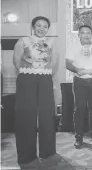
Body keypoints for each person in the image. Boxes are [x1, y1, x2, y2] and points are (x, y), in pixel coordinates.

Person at [13, 16, 58, 165]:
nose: (41, 28)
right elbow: (17, 61)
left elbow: (54, 63)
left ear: (48, 29)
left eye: (45, 26)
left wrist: (44, 74)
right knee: (26, 115)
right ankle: (27, 155)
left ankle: (48, 151)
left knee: (47, 114)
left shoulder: (52, 43)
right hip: (27, 78)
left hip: (45, 78)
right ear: (33, 27)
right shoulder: (23, 40)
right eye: (38, 25)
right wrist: (29, 71)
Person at [66, 25, 92, 149]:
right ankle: (78, 137)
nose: (86, 35)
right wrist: (76, 69)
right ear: (79, 35)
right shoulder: (73, 47)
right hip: (79, 81)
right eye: (83, 33)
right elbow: (67, 63)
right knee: (79, 110)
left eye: (88, 33)